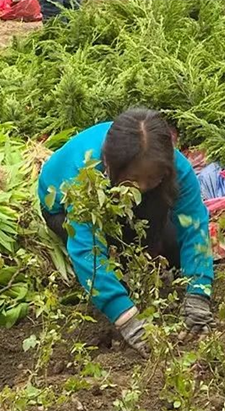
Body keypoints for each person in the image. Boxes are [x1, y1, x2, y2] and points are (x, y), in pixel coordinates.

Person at [37, 108, 215, 357]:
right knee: (107, 263)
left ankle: (142, 256)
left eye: (152, 178)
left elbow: (194, 223)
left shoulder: (175, 166)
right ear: (110, 166)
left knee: (173, 242)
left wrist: (199, 293)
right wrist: (126, 319)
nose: (142, 187)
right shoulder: (85, 176)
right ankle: (120, 279)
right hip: (61, 212)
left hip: (125, 200)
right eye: (133, 179)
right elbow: (88, 249)